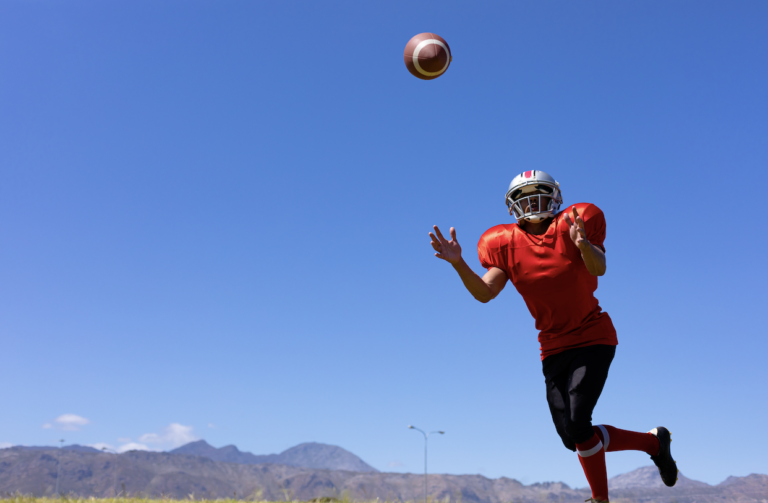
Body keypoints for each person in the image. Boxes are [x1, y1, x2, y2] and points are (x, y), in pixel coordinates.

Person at [428, 170, 678, 503]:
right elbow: (485, 293)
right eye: (524, 197)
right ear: (512, 206)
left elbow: (599, 268)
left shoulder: (575, 223)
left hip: (592, 335)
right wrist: (458, 263)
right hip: (552, 346)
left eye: (538, 193)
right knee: (573, 437)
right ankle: (654, 443)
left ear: (554, 197)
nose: (532, 202)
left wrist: (583, 244)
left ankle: (600, 499)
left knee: (579, 423)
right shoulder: (502, 243)